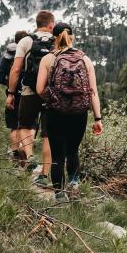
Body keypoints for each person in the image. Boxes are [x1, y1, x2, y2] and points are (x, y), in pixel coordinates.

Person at [36, 22, 103, 201]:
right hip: (79, 115)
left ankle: (59, 194)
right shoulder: (85, 59)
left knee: (57, 154)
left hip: (55, 113)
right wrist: (98, 118)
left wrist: (54, 99)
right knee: (73, 151)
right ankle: (74, 185)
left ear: (54, 39)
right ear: (72, 37)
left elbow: (39, 89)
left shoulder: (48, 59)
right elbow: (93, 92)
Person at [6, 10, 54, 182]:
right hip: (51, 94)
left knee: (24, 125)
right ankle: (44, 175)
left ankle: (30, 155)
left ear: (36, 23)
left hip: (29, 92)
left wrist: (11, 93)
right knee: (49, 134)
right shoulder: (57, 42)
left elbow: (16, 69)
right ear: (51, 25)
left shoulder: (27, 40)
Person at [0, 30, 28, 159]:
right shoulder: (29, 54)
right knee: (26, 126)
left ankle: (15, 154)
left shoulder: (8, 55)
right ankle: (26, 154)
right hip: (28, 95)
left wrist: (10, 84)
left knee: (14, 127)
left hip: (12, 95)